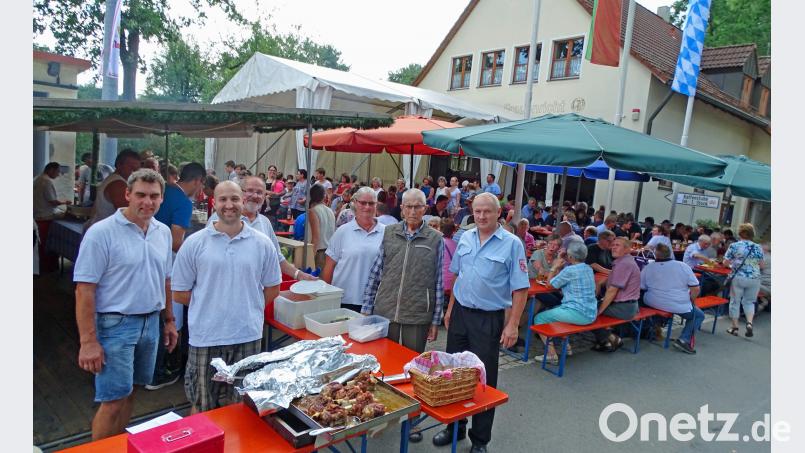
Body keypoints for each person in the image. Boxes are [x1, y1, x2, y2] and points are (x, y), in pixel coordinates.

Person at [73, 169, 177, 440]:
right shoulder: (102, 233)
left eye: (154, 196)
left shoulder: (162, 232)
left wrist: (169, 321)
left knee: (132, 391)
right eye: (141, 195)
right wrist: (88, 342)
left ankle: (118, 445)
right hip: (114, 324)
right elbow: (84, 290)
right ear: (127, 195)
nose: (147, 202)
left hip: (151, 322)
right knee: (113, 400)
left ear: (162, 198)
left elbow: (165, 280)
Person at [171, 180, 282, 413]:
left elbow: (273, 288)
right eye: (223, 199)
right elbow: (180, 293)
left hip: (247, 337)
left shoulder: (262, 244)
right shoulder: (194, 243)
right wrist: (213, 304)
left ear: (242, 201)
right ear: (214, 202)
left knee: (242, 408)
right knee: (202, 406)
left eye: (234, 199)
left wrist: (245, 306)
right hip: (206, 337)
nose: (229, 205)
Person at [433, 192, 529, 452]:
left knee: (483, 379)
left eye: (487, 211)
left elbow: (520, 289)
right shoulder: (465, 237)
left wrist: (513, 325)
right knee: (453, 373)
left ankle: (480, 440)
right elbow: (458, 277)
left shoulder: (512, 244)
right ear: (471, 213)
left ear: (499, 213)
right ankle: (454, 427)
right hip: (461, 314)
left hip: (488, 319)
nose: (482, 216)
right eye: (477, 211)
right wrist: (451, 309)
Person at [362, 188, 443, 354]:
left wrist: (435, 321)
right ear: (402, 208)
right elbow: (375, 273)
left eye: (418, 206)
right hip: (385, 310)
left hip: (417, 314)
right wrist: (366, 309)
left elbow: (439, 282)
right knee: (382, 357)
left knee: (411, 362)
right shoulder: (390, 232)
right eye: (408, 206)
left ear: (425, 209)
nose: (413, 211)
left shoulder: (435, 238)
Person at [146, 162, 205, 390]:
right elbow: (176, 241)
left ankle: (148, 367)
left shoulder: (166, 189)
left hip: (147, 260)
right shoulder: (182, 201)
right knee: (172, 316)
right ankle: (162, 369)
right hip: (167, 263)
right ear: (198, 181)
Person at [208, 176, 315, 281]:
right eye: (249, 191)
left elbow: (276, 257)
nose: (255, 196)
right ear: (240, 193)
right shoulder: (220, 218)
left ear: (264, 198)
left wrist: (298, 274)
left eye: (259, 192)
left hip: (256, 289)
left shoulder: (265, 222)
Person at [323, 187, 386, 313]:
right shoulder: (342, 232)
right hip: (344, 300)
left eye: (371, 203)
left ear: (376, 205)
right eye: (363, 203)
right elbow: (329, 267)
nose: (367, 207)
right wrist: (325, 298)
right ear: (355, 203)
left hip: (373, 302)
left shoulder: (386, 232)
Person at [533, 242, 598, 363]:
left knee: (539, 318)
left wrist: (554, 266)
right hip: (591, 312)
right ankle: (566, 347)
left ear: (571, 257)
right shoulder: (588, 268)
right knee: (556, 310)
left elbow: (549, 284)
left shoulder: (570, 270)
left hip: (578, 314)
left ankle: (551, 355)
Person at [641, 243, 704, 354]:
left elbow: (642, 287)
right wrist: (691, 301)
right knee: (698, 315)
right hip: (676, 303)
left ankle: (652, 330)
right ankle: (684, 340)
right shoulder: (682, 266)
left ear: (656, 254)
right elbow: (696, 289)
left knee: (650, 300)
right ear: (670, 253)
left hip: (652, 301)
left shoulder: (648, 267)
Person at [592, 237, 641, 352]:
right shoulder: (624, 261)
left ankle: (611, 339)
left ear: (627, 249)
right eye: (613, 245)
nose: (613, 247)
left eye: (617, 245)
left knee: (587, 312)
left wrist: (600, 310)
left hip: (623, 308)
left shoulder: (623, 264)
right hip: (628, 306)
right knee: (592, 307)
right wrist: (600, 283)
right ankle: (605, 341)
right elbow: (612, 280)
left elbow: (612, 290)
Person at [723, 223, 765, 338]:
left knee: (735, 301)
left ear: (741, 233)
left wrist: (734, 265)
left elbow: (725, 263)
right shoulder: (758, 247)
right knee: (749, 302)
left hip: (739, 277)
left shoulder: (734, 246)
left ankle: (734, 327)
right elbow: (761, 265)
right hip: (755, 279)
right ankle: (749, 323)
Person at [87, 149, 141, 228]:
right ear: (119, 165)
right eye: (132, 168)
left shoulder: (116, 180)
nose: (134, 173)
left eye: (137, 170)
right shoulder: (118, 184)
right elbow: (129, 216)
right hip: (105, 233)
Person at [306, 184, 336, 271]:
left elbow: (315, 238)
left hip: (318, 254)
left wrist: (309, 260)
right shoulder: (330, 211)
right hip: (329, 253)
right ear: (323, 196)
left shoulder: (313, 211)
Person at [441, 218, 458, 291]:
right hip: (453, 282)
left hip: (442, 282)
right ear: (453, 231)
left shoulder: (439, 242)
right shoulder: (455, 244)